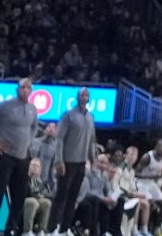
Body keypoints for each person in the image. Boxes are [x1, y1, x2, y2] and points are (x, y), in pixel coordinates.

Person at [0, 80, 37, 236]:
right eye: (22, 87)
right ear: (17, 89)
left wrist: (29, 143)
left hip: (22, 157)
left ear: (32, 90)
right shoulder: (5, 106)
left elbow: (34, 127)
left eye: (28, 88)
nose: (25, 90)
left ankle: (10, 230)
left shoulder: (32, 109)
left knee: (19, 197)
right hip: (4, 156)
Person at [59, 91, 97, 236]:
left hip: (81, 162)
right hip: (67, 161)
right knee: (61, 196)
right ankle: (53, 228)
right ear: (77, 97)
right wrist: (59, 160)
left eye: (87, 95)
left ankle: (64, 228)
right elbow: (59, 139)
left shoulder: (90, 116)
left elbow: (91, 141)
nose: (85, 97)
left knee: (73, 197)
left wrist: (92, 160)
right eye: (82, 95)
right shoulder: (68, 115)